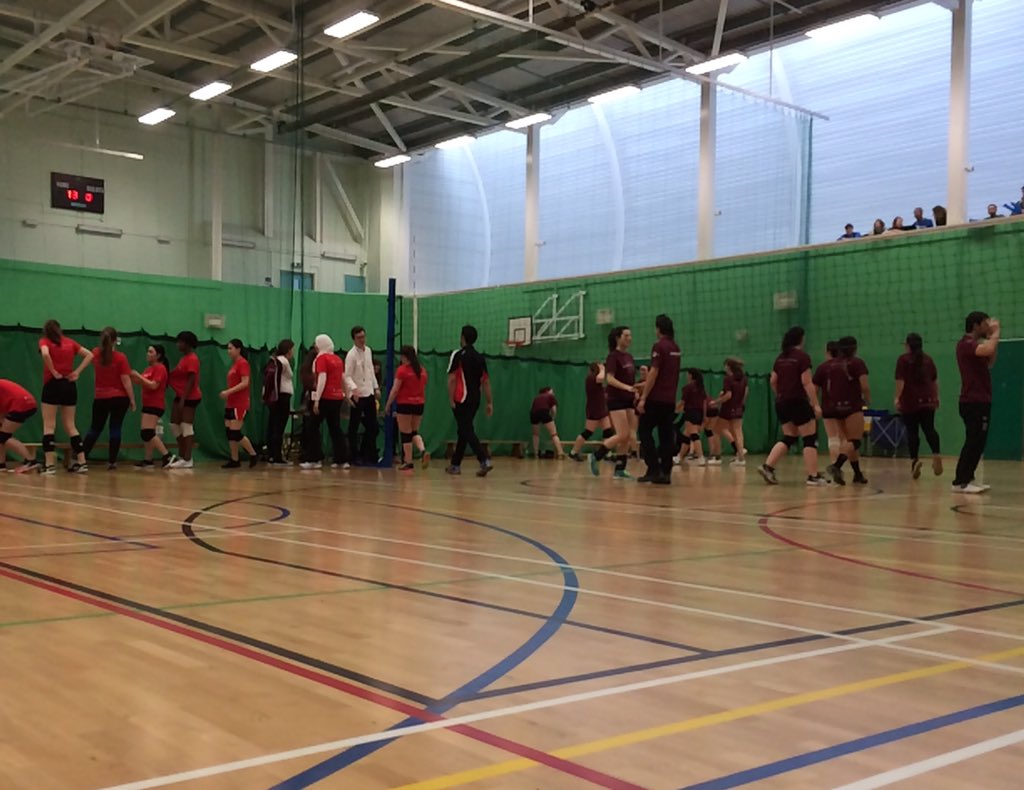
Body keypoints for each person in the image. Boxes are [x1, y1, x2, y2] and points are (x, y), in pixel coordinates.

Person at [758, 326, 826, 486]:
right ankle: (813, 476)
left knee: (790, 437)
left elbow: (773, 381)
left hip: (782, 402)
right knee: (809, 438)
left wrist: (781, 395)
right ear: (801, 339)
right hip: (798, 401)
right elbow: (806, 382)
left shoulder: (780, 357)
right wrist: (815, 404)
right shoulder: (802, 357)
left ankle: (768, 466)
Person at [952, 312, 1000, 493]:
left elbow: (990, 361)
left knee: (979, 441)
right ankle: (960, 481)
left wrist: (992, 339)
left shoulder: (976, 346)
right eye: (985, 323)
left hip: (982, 399)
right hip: (972, 401)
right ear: (975, 325)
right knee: (973, 440)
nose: (988, 326)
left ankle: (968, 477)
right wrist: (995, 334)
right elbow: (987, 350)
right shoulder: (965, 344)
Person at [38, 319, 92, 475]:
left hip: (53, 384)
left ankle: (49, 465)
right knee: (70, 425)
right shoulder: (70, 342)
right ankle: (82, 462)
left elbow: (46, 354)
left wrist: (53, 371)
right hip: (69, 384)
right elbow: (89, 355)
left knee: (49, 425)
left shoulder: (44, 341)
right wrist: (77, 372)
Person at [816, 336, 870, 486]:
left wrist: (815, 405)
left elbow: (814, 388)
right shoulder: (857, 363)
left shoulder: (827, 365)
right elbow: (864, 386)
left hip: (833, 408)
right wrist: (867, 399)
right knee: (855, 441)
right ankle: (836, 466)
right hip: (851, 407)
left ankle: (858, 474)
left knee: (847, 441)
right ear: (854, 348)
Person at [81, 327, 136, 470]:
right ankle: (112, 461)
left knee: (95, 428)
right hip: (119, 398)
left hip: (101, 397)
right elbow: (126, 380)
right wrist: (132, 399)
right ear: (115, 340)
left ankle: (80, 457)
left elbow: (87, 359)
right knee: (115, 428)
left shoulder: (95, 354)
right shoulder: (121, 358)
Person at [636, 314, 681, 485]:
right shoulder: (676, 347)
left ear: (658, 329)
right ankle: (666, 472)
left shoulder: (659, 346)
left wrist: (643, 398)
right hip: (669, 400)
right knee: (666, 435)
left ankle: (653, 468)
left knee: (644, 431)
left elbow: (654, 373)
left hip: (656, 399)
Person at [589, 326, 637, 479]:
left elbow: (630, 379)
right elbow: (609, 379)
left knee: (628, 436)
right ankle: (596, 456)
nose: (629, 338)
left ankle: (620, 469)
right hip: (616, 399)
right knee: (622, 434)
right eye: (626, 336)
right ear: (618, 338)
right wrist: (626, 388)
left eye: (630, 335)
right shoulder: (613, 357)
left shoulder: (629, 357)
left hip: (629, 399)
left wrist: (634, 391)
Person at [445, 324, 493, 477]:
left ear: (463, 338)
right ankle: (455, 465)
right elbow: (485, 381)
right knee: (463, 430)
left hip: (461, 398)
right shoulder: (480, 358)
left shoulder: (458, 355)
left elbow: (452, 379)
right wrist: (489, 402)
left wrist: (451, 398)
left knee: (466, 430)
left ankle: (484, 459)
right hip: (475, 399)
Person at [895, 333, 942, 480]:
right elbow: (935, 381)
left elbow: (900, 381)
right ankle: (936, 455)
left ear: (907, 345)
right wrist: (936, 397)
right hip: (928, 400)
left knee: (912, 432)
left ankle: (914, 460)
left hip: (910, 400)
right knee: (930, 429)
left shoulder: (903, 360)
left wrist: (897, 397)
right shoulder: (928, 359)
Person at [301, 334, 349, 470]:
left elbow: (322, 378)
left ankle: (314, 459)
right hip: (337, 398)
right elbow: (343, 378)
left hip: (325, 397)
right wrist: (345, 394)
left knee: (312, 426)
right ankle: (342, 460)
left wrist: (317, 400)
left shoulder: (321, 358)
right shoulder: (338, 359)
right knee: (335, 428)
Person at [383, 344, 429, 470]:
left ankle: (408, 461)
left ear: (403, 356)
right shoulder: (422, 370)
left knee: (405, 433)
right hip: (419, 404)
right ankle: (423, 450)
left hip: (405, 404)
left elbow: (395, 389)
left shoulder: (402, 370)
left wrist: (388, 404)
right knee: (414, 432)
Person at [131, 344, 175, 469]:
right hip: (147, 403)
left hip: (156, 404)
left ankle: (167, 455)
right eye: (147, 351)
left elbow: (153, 385)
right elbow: (141, 382)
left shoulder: (160, 368)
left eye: (151, 352)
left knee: (147, 432)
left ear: (158, 355)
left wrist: (138, 376)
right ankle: (148, 459)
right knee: (145, 433)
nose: (148, 354)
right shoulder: (148, 369)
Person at [219, 339, 259, 469]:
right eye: (228, 348)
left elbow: (245, 383)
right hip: (231, 403)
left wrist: (228, 392)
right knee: (229, 432)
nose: (228, 351)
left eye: (231, 348)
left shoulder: (243, 363)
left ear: (238, 349)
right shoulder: (234, 364)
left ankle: (253, 454)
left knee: (235, 433)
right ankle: (234, 459)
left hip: (239, 403)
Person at [345, 326, 380, 465]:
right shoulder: (351, 355)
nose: (362, 340)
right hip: (357, 395)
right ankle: (354, 456)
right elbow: (347, 376)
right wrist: (354, 390)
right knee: (353, 426)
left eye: (363, 337)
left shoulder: (369, 351)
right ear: (354, 339)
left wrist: (376, 387)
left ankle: (368, 453)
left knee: (373, 427)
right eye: (359, 337)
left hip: (369, 392)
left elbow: (371, 371)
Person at [168, 331, 201, 469]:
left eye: (180, 342)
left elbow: (191, 380)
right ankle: (182, 455)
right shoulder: (184, 358)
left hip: (190, 397)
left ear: (187, 344)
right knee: (174, 425)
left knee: (186, 426)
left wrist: (183, 399)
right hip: (180, 395)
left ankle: (188, 458)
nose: (178, 344)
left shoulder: (192, 359)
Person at [569, 362, 613, 462]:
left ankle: (607, 454)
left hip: (601, 409)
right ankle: (573, 452)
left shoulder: (596, 381)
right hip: (595, 409)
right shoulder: (591, 378)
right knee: (588, 432)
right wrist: (602, 369)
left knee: (608, 431)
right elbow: (600, 378)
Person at [265, 339, 295, 466]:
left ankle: (271, 454)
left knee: (273, 425)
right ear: (288, 349)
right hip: (282, 397)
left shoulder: (275, 360)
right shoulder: (284, 361)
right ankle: (277, 456)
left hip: (275, 398)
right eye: (292, 349)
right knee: (279, 427)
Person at [0, 379, 40, 473]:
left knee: (3, 437)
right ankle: (1, 464)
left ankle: (31, 461)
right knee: (2, 434)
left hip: (21, 404)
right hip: (27, 402)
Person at [715, 357, 748, 466]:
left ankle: (717, 456)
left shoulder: (728, 379)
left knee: (717, 428)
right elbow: (746, 393)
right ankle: (741, 457)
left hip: (728, 407)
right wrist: (741, 403)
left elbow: (729, 395)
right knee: (738, 432)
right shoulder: (743, 378)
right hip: (738, 407)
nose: (724, 367)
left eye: (725, 365)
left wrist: (717, 401)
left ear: (729, 366)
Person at [675, 368, 707, 466]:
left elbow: (683, 402)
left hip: (690, 412)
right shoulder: (701, 387)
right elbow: (704, 402)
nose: (686, 376)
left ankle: (701, 457)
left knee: (694, 434)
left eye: (688, 374)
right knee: (686, 435)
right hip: (699, 413)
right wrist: (704, 416)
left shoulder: (687, 388)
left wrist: (674, 409)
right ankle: (679, 457)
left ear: (691, 376)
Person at [528, 387, 564, 459]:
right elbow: (554, 409)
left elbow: (534, 407)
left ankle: (536, 454)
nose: (553, 393)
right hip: (544, 412)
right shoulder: (550, 396)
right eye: (552, 391)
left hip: (533, 414)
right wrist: (552, 418)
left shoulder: (537, 397)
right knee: (554, 434)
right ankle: (560, 453)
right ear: (547, 391)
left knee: (535, 435)